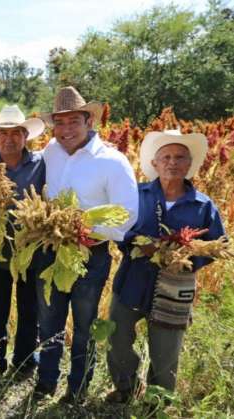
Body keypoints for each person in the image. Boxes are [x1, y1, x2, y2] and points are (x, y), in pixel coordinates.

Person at [35, 86, 139, 402]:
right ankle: (45, 382)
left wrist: (83, 229)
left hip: (90, 255)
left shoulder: (113, 161)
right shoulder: (48, 153)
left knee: (85, 324)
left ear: (89, 121)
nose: (66, 130)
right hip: (49, 251)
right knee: (49, 321)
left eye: (73, 122)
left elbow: (127, 215)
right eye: (60, 123)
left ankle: (77, 388)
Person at [106, 130, 224, 402]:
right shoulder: (137, 194)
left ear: (189, 164)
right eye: (166, 157)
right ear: (155, 163)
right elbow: (117, 229)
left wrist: (185, 258)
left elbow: (218, 245)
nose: (173, 162)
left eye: (180, 157)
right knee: (118, 337)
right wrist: (136, 242)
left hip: (175, 286)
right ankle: (126, 388)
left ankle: (157, 401)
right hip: (132, 280)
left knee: (166, 350)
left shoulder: (203, 205)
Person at [0, 105, 45, 380]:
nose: (9, 139)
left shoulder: (42, 163)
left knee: (30, 310)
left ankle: (26, 361)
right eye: (3, 133)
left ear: (25, 135)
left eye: (15, 133)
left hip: (32, 252)